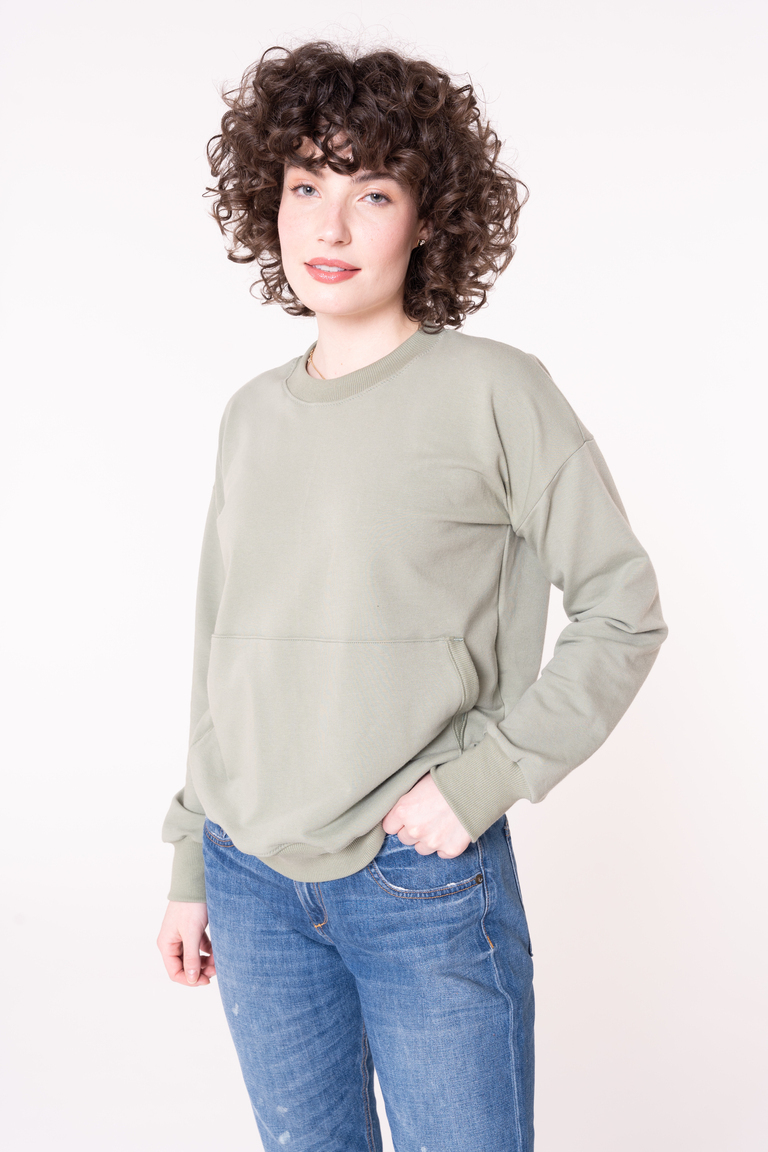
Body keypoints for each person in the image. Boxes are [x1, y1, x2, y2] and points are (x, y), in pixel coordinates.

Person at [156, 40, 667, 1152]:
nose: (330, 228)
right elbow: (219, 648)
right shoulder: (251, 414)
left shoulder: (495, 390)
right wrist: (193, 855)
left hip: (416, 879)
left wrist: (486, 779)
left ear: (429, 218)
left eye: (373, 193)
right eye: (306, 187)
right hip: (250, 875)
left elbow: (623, 605)